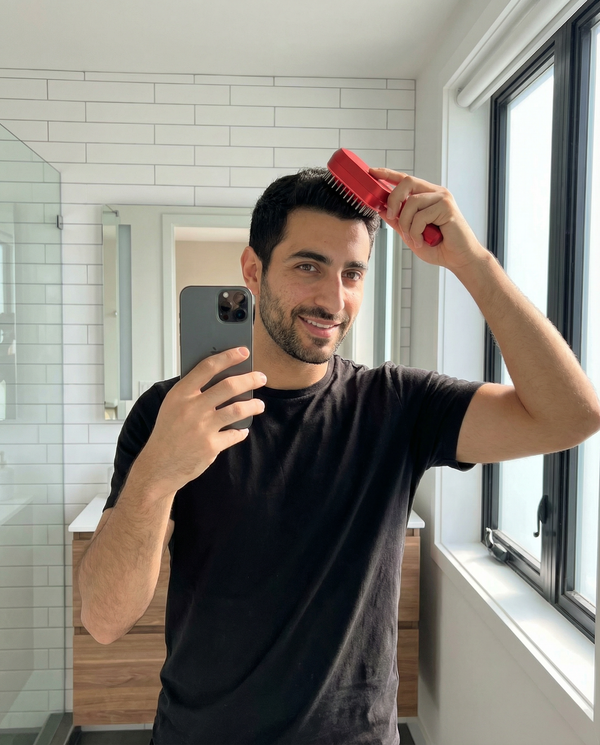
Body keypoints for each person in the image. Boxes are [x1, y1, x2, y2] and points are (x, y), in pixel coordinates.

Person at [77, 166, 600, 745]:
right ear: (253, 270)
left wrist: (472, 261)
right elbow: (104, 621)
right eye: (308, 266)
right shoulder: (171, 412)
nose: (334, 299)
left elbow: (571, 415)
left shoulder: (397, 405)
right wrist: (159, 470)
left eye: (352, 273)